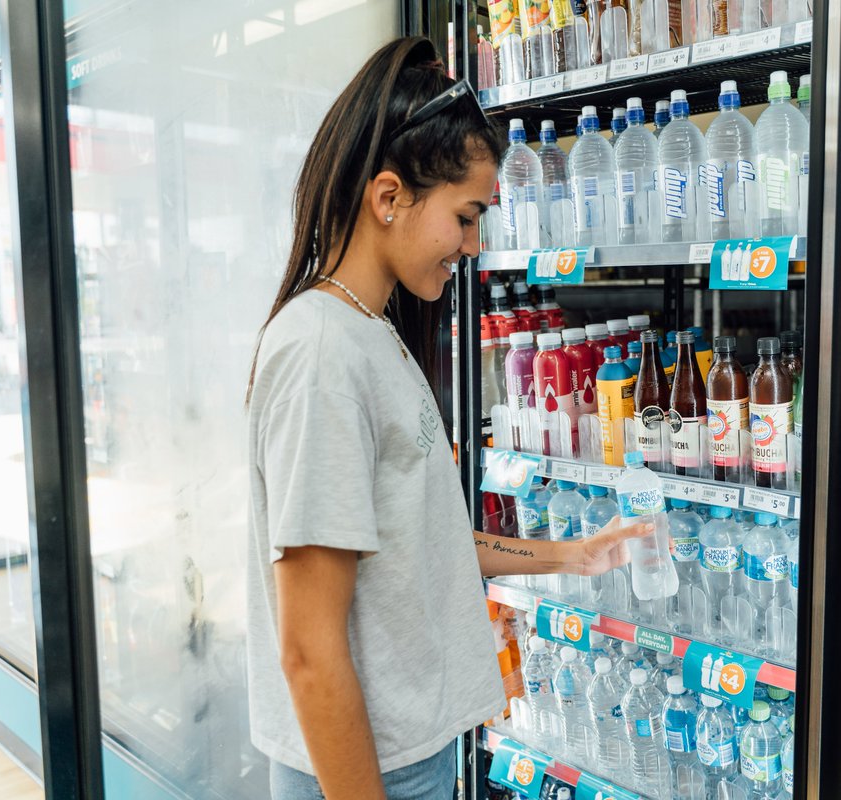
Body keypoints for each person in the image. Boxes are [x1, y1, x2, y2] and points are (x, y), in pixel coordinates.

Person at [245, 37, 652, 800]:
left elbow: (417, 543)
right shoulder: (323, 355)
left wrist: (573, 555)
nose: (472, 246)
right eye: (466, 217)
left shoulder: (370, 332)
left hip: (405, 753)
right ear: (389, 197)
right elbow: (307, 649)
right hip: (367, 770)